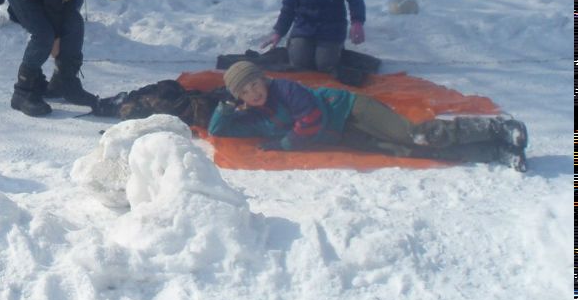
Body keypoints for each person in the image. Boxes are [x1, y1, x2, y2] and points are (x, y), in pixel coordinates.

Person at [209, 60, 529, 171]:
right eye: (245, 92)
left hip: (352, 109)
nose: (253, 92)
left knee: (412, 134)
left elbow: (310, 123)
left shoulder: (286, 89)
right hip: (346, 134)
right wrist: (227, 106)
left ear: (263, 79)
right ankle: (494, 151)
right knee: (411, 151)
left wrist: (283, 144)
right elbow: (218, 128)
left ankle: (498, 128)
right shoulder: (254, 114)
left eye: (254, 84)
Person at [0, 0, 137, 116]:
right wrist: (55, 38)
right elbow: (52, 3)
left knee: (74, 23)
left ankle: (63, 83)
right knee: (43, 35)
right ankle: (23, 92)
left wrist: (63, 39)